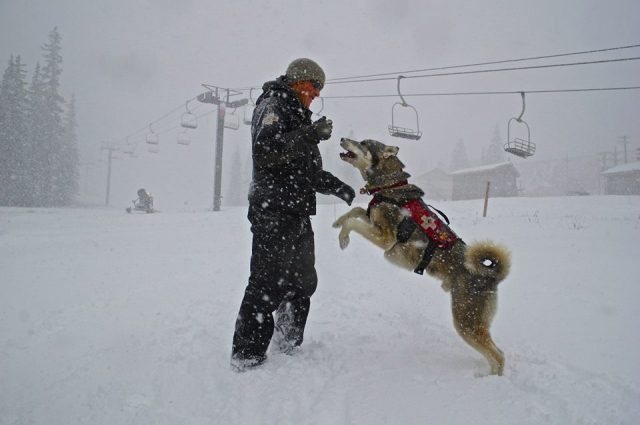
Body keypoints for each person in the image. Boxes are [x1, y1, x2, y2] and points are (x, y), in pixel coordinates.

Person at [230, 58, 355, 371]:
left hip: (297, 212)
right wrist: (310, 135)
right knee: (265, 283)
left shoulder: (300, 117)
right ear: (297, 80)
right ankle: (247, 354)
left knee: (301, 280)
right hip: (272, 210)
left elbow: (307, 172)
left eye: (318, 91)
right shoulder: (272, 106)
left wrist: (340, 187)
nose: (314, 94)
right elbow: (267, 151)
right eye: (311, 87)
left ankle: (288, 339)